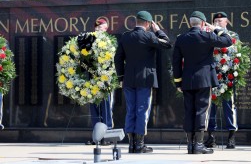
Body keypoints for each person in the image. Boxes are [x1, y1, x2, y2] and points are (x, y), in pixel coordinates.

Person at [172, 11, 232, 154]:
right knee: (201, 111)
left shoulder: (181, 39)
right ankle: (198, 144)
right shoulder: (207, 36)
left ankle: (190, 144)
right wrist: (215, 29)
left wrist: (178, 82)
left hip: (187, 79)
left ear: (190, 23)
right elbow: (227, 40)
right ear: (203, 23)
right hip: (204, 79)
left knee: (189, 111)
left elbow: (175, 62)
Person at [114, 11, 172, 153]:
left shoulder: (125, 37)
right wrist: (158, 31)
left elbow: (118, 58)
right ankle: (139, 144)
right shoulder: (149, 36)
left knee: (131, 110)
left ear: (136, 21)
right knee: (142, 110)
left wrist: (121, 77)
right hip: (145, 80)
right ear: (147, 23)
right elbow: (167, 44)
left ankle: (131, 144)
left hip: (128, 79)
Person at [204, 12, 238, 149]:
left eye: (220, 20)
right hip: (211, 75)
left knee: (229, 106)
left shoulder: (233, 35)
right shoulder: (208, 34)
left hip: (227, 74)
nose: (217, 23)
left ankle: (231, 136)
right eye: (215, 21)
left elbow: (235, 52)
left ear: (226, 22)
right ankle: (211, 136)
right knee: (210, 106)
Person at [85, 18, 114, 145]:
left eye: (103, 29)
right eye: (99, 28)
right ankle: (96, 137)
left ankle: (106, 136)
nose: (100, 31)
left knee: (106, 108)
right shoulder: (88, 41)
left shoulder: (109, 42)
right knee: (95, 109)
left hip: (105, 80)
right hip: (92, 79)